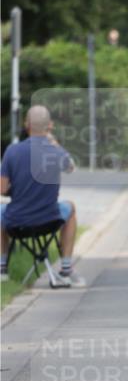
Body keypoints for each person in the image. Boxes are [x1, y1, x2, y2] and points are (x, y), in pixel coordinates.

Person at [1, 105, 81, 287]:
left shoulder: (12, 151)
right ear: (50, 126)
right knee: (71, 207)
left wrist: (17, 189)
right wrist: (55, 144)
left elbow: (2, 189)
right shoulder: (56, 153)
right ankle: (66, 268)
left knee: (0, 212)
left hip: (17, 222)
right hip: (49, 221)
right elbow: (71, 167)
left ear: (26, 124)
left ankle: (2, 268)